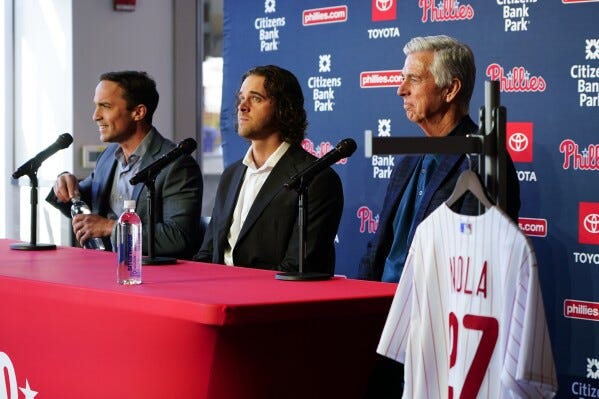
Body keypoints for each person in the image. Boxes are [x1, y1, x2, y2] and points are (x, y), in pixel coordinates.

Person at [359, 35, 520, 397]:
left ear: (451, 89)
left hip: (436, 340)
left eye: (413, 80)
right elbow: (380, 248)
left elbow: (478, 271)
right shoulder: (407, 159)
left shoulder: (483, 162)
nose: (401, 90)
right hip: (382, 329)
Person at [193, 65, 343, 274]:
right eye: (241, 98)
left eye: (255, 98)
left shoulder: (316, 179)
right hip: (218, 296)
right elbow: (208, 253)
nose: (242, 106)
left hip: (270, 302)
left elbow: (298, 267)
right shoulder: (231, 175)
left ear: (284, 109)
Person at [46, 70, 203, 260]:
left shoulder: (177, 165)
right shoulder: (109, 156)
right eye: (96, 106)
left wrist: (110, 228)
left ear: (138, 112)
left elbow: (177, 237)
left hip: (149, 278)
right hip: (102, 268)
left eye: (105, 106)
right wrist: (65, 186)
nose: (95, 116)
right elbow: (83, 204)